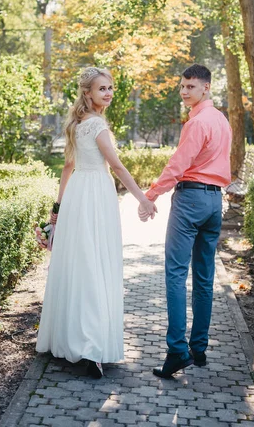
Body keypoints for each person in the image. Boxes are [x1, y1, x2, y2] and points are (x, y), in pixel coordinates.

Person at [36, 66, 157, 378]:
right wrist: (142, 198)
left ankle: (69, 338)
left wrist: (58, 209)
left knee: (79, 263)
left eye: (111, 87)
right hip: (96, 196)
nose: (108, 93)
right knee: (95, 265)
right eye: (102, 88)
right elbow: (116, 166)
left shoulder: (77, 123)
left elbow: (67, 168)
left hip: (78, 194)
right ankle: (92, 347)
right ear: (87, 93)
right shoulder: (98, 124)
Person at [139, 63, 232, 378]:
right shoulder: (221, 120)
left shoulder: (197, 123)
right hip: (215, 201)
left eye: (190, 86)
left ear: (206, 87)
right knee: (205, 278)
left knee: (176, 275)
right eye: (182, 86)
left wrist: (150, 195)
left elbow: (178, 165)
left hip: (191, 199)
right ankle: (199, 350)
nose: (183, 91)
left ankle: (178, 352)